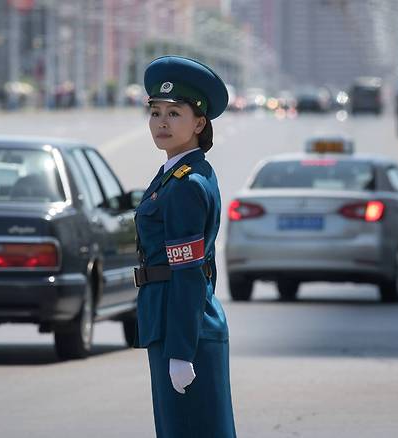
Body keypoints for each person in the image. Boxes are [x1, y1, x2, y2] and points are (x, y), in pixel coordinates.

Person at [133, 55, 237, 438]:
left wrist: (180, 350)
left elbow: (189, 271)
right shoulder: (175, 175)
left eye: (175, 113)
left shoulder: (187, 184)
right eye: (156, 112)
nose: (161, 122)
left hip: (183, 331)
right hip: (174, 324)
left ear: (199, 123)